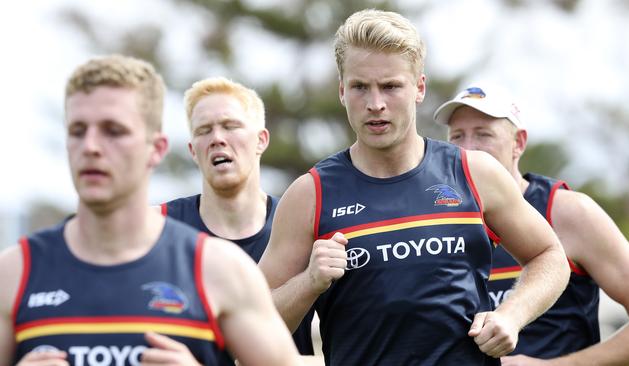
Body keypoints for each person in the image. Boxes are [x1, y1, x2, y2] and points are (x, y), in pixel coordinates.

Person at [258, 9, 570, 365]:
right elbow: (253, 323)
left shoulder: (473, 172)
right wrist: (310, 281)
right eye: (361, 87)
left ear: (419, 88)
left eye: (391, 86)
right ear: (342, 91)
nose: (376, 104)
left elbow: (550, 255)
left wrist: (511, 316)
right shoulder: (311, 194)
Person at [0, 55, 300, 366]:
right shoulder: (15, 273)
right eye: (77, 130)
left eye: (113, 130)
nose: (90, 146)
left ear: (156, 149)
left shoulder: (220, 269)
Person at [435, 83, 629, 365]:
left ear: (519, 143)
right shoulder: (437, 218)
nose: (468, 149)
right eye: (457, 136)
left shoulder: (567, 211)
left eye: (483, 134)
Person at [159, 76, 317, 360]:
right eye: (204, 130)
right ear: (193, 151)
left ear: (261, 140)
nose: (218, 138)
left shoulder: (303, 225)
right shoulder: (160, 229)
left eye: (230, 126)